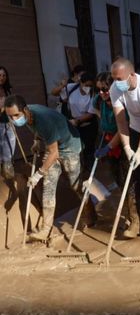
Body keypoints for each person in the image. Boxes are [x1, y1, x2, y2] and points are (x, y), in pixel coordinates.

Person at [4, 95, 96, 241]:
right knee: (48, 187)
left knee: (75, 185)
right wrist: (36, 141)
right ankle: (46, 229)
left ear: (25, 110)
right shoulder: (28, 116)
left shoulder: (43, 119)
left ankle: (89, 210)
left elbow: (54, 153)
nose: (15, 119)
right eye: (11, 116)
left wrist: (38, 174)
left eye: (16, 115)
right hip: (53, 146)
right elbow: (38, 130)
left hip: (69, 147)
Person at [109, 57, 140, 238]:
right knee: (131, 175)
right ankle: (135, 220)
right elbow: (121, 121)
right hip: (134, 129)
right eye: (114, 79)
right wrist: (128, 148)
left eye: (120, 79)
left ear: (131, 75)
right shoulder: (114, 89)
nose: (117, 83)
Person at [89, 72, 124, 190]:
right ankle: (122, 189)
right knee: (114, 171)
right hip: (107, 136)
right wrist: (103, 118)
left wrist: (108, 147)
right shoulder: (98, 100)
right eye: (98, 89)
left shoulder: (122, 101)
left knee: (126, 172)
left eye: (104, 89)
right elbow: (93, 108)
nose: (101, 93)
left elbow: (123, 129)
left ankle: (133, 200)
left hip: (124, 139)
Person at [62, 72, 98, 178]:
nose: (88, 88)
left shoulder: (93, 94)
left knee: (88, 148)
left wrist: (77, 121)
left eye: (90, 86)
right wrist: (61, 85)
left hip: (88, 125)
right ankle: (79, 170)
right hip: (74, 124)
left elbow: (91, 113)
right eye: (86, 85)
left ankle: (90, 172)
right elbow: (56, 94)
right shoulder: (71, 88)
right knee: (76, 148)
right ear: (80, 83)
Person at [0, 66, 16, 205]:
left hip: (8, 123)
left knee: (10, 148)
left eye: (4, 75)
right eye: (0, 75)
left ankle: (9, 174)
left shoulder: (8, 90)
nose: (2, 77)